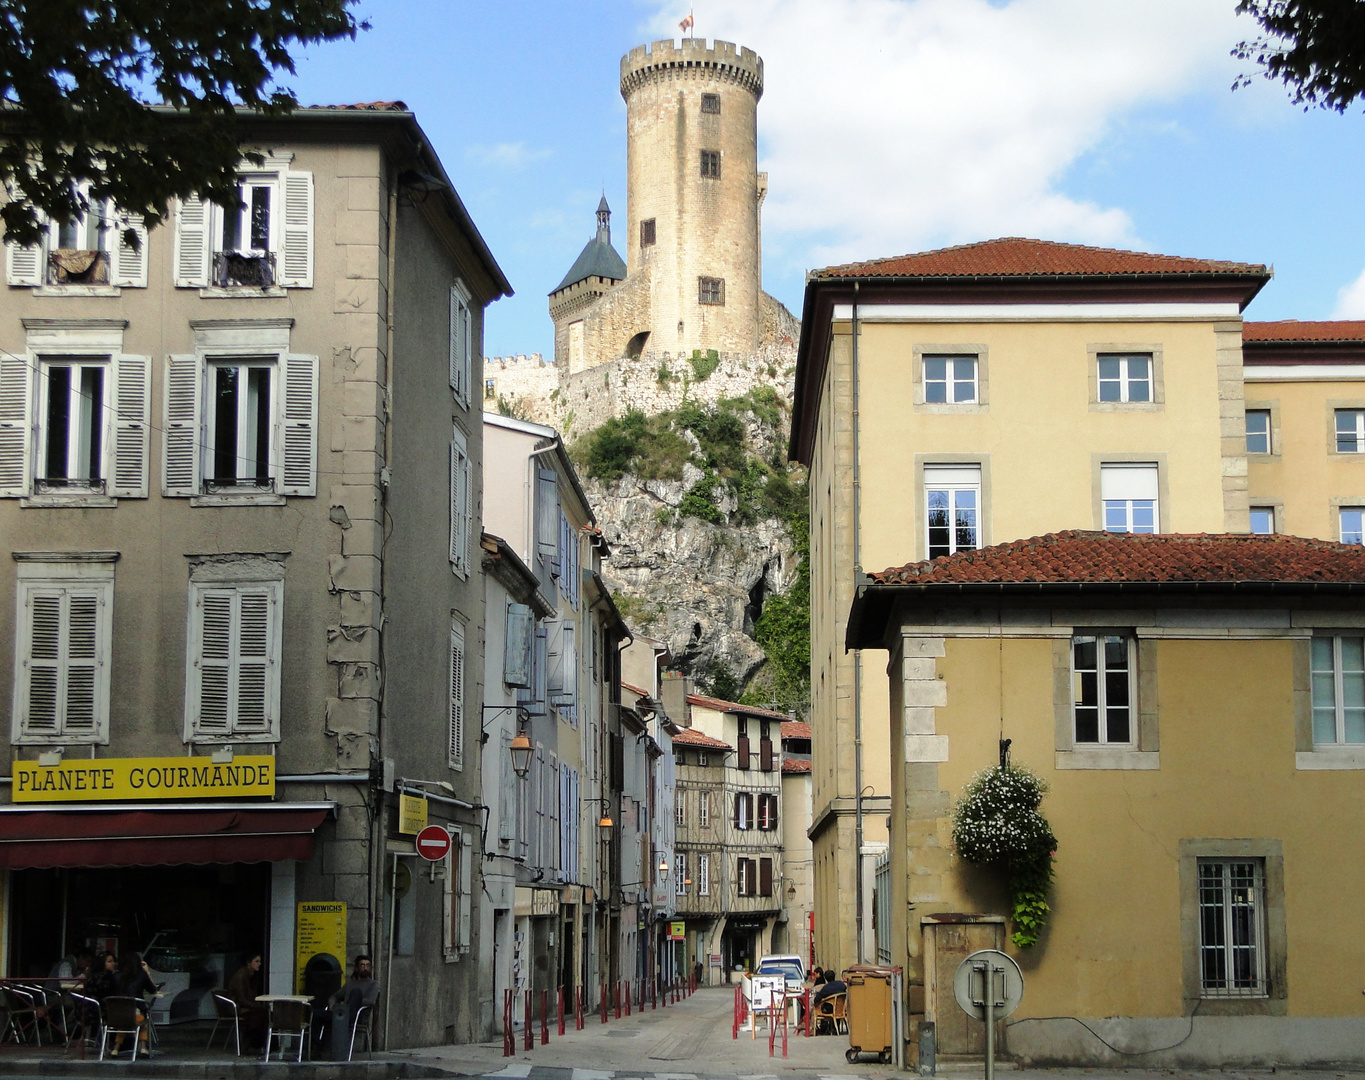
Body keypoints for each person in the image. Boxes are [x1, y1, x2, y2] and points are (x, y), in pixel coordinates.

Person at [322, 955, 380, 1061]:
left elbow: (371, 1001)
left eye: (368, 966)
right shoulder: (350, 983)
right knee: (315, 1014)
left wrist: (353, 1002)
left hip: (358, 1015)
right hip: (342, 1013)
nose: (365, 968)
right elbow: (335, 996)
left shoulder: (373, 985)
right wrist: (331, 1003)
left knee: (356, 992)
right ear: (356, 968)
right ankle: (316, 1047)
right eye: (362, 965)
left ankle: (346, 1014)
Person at [227, 953, 266, 1052]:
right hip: (238, 1007)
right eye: (256, 961)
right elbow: (241, 998)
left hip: (246, 1005)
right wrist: (254, 1005)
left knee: (265, 1013)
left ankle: (258, 1042)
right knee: (261, 1013)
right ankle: (250, 1040)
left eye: (259, 961)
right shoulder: (240, 976)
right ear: (249, 963)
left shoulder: (252, 976)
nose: (259, 964)